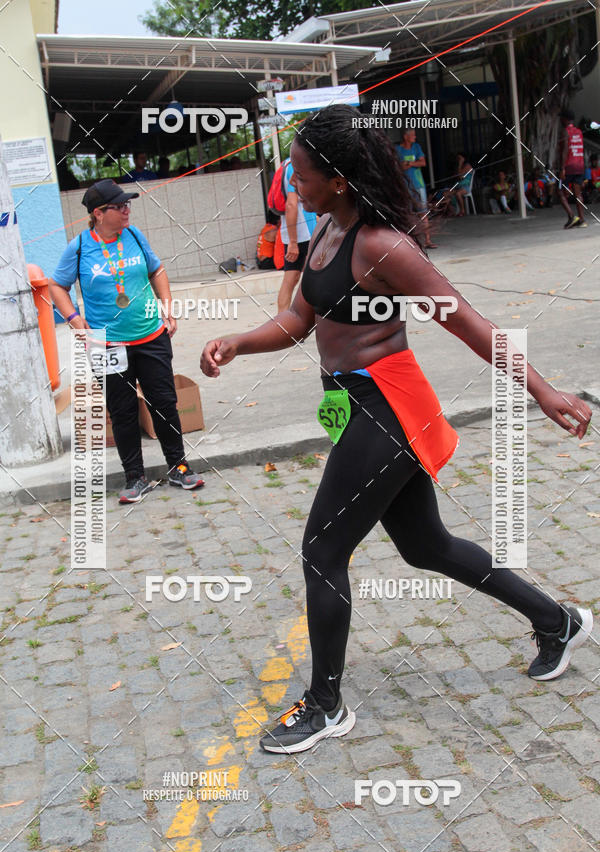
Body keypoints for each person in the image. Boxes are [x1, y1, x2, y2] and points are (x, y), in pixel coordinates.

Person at [200, 105, 593, 755]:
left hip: (389, 409)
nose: (289, 181)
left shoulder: (385, 248)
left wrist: (543, 391)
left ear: (339, 178)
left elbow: (469, 322)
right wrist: (238, 343)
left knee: (322, 550)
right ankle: (559, 622)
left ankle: (325, 703)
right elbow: (299, 319)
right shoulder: (327, 228)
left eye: (299, 172)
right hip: (352, 407)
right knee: (426, 545)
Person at [49, 179, 205, 503]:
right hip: (107, 344)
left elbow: (158, 270)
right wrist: (75, 320)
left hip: (150, 336)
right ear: (98, 213)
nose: (126, 210)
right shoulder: (79, 248)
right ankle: (135, 477)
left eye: (127, 204)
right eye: (119, 206)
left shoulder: (134, 236)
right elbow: (56, 286)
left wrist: (167, 308)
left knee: (163, 403)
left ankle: (179, 467)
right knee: (122, 411)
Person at [276, 158, 317, 314]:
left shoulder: (287, 163)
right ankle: (283, 326)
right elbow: (291, 205)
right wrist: (293, 242)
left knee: (292, 280)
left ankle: (282, 326)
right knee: (300, 279)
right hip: (301, 233)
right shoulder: (295, 165)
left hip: (299, 232)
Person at [395, 128, 436, 248]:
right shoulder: (398, 150)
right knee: (407, 213)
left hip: (419, 184)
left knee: (423, 213)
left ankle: (428, 240)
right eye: (412, 135)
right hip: (405, 186)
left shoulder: (416, 147)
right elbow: (398, 167)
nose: (415, 137)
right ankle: (411, 241)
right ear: (405, 136)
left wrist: (409, 164)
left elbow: (423, 163)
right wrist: (414, 162)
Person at [557, 110, 586, 228]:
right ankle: (582, 220)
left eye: (561, 118)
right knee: (577, 193)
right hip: (580, 165)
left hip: (569, 166)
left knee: (559, 191)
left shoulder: (565, 132)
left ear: (565, 119)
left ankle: (572, 216)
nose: (560, 121)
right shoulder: (579, 132)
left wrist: (562, 168)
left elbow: (564, 151)